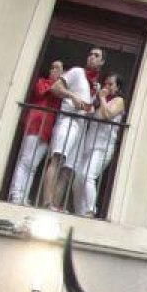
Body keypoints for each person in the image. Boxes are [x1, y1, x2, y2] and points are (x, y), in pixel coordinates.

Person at [42, 47, 105, 211]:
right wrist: (72, 96)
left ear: (102, 62)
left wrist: (91, 108)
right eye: (90, 54)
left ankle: (56, 205)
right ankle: (47, 202)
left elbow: (90, 107)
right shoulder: (77, 72)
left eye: (96, 56)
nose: (91, 57)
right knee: (57, 159)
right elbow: (55, 87)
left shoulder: (96, 86)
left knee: (67, 170)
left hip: (81, 127)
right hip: (68, 121)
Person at [9, 60, 64, 205]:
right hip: (35, 125)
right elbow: (40, 91)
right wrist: (57, 82)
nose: (54, 70)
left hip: (47, 131)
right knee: (25, 161)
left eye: (58, 68)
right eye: (52, 67)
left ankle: (24, 197)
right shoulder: (42, 82)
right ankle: (16, 194)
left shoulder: (61, 90)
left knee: (33, 166)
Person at [73, 73, 126, 217]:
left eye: (111, 84)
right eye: (106, 84)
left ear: (117, 87)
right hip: (90, 144)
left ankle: (91, 209)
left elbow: (107, 115)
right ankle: (79, 212)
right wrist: (94, 96)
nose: (107, 87)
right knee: (78, 179)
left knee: (88, 176)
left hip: (103, 146)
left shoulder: (119, 100)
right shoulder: (99, 101)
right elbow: (87, 110)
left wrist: (102, 98)